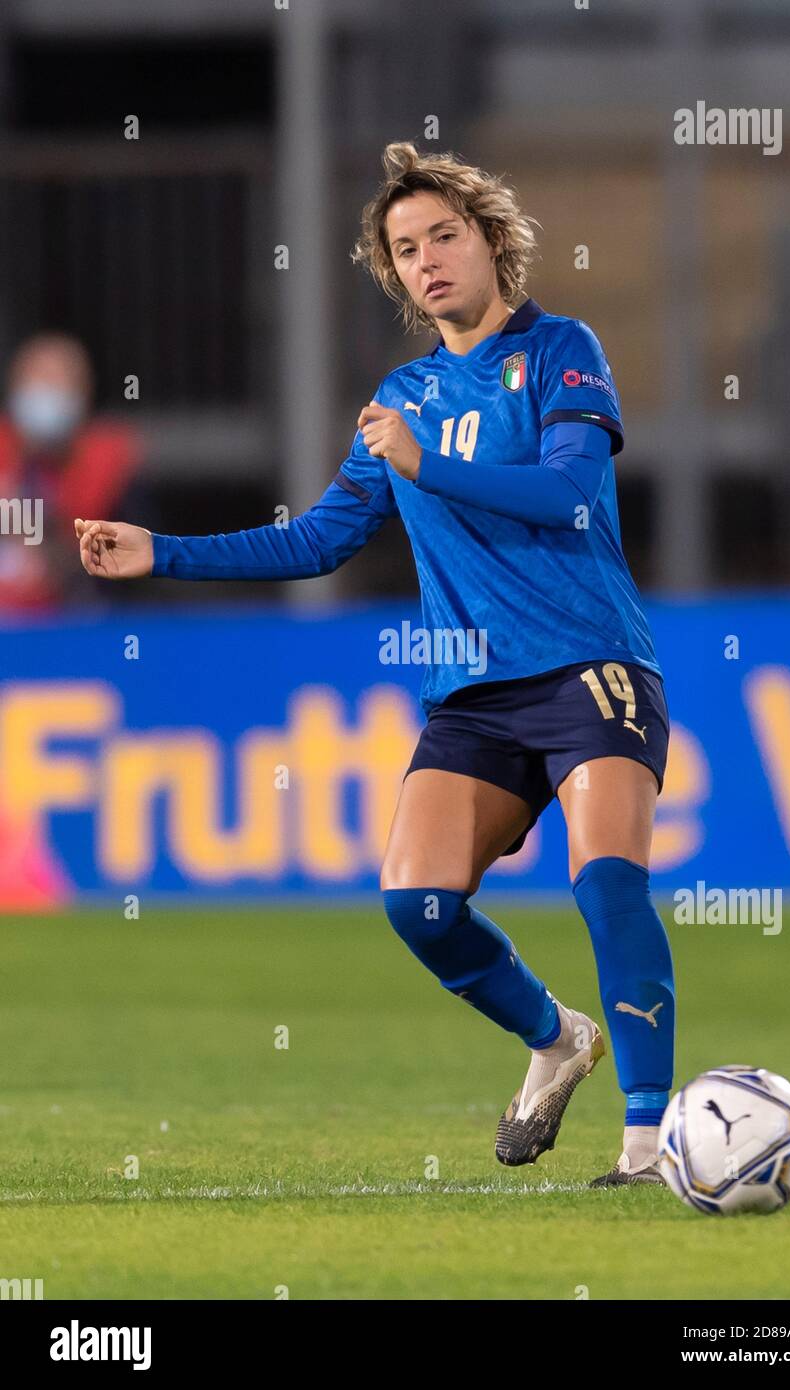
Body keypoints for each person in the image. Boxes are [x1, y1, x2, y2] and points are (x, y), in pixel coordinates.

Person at [74, 141, 674, 1187]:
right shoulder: (401, 395)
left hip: (590, 663)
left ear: (492, 241)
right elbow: (315, 541)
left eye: (445, 234)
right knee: (416, 905)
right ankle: (554, 1037)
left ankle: (647, 1139)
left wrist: (425, 460)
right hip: (473, 699)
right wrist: (159, 551)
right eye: (405, 248)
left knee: (605, 885)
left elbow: (570, 495)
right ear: (392, 273)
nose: (428, 259)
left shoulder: (558, 350)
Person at [0, 333, 138, 611]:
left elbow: (85, 539)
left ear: (83, 393)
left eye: (58, 380)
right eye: (36, 379)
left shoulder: (108, 452)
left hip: (76, 619)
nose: (45, 390)